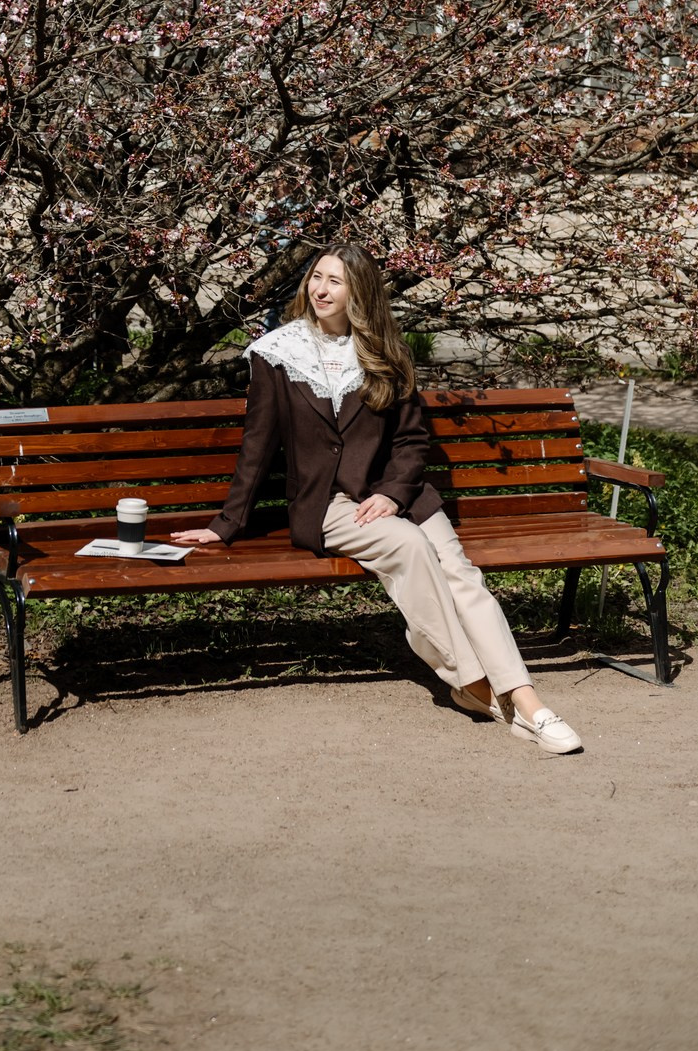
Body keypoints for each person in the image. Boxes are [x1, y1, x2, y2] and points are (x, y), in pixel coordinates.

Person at [172, 244, 583, 754]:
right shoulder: (277, 354)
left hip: (399, 497)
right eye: (316, 277)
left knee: (461, 574)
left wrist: (391, 493)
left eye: (335, 282)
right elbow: (257, 446)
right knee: (409, 547)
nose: (320, 290)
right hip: (327, 504)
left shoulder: (387, 353)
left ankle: (527, 702)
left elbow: (411, 441)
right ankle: (476, 686)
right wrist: (226, 524)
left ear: (359, 293)